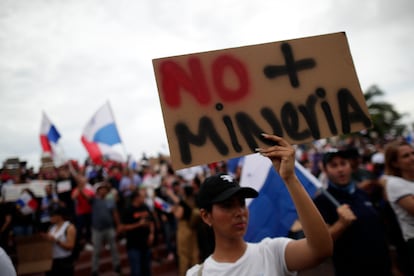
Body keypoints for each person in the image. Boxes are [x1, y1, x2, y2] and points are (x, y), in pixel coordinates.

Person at [186, 134, 333, 276]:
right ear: (206, 216)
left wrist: (290, 178)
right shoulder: (196, 274)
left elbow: (320, 249)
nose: (239, 212)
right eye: (227, 205)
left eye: (242, 203)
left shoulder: (272, 252)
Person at [313, 149, 392, 276]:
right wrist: (341, 224)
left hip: (382, 266)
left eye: (343, 163)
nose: (340, 169)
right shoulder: (322, 201)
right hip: (351, 269)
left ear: (350, 167)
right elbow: (320, 244)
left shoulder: (363, 193)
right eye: (333, 165)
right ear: (326, 171)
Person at [383, 140, 414, 275]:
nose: (412, 158)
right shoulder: (394, 183)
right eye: (406, 156)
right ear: (395, 163)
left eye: (413, 153)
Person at [119, 189, 155, 276]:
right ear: (136, 198)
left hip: (146, 244)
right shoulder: (128, 210)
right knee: (136, 271)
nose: (144, 198)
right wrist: (138, 224)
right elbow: (122, 228)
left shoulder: (145, 207)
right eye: (142, 196)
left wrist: (151, 234)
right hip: (134, 245)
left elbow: (151, 222)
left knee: (147, 270)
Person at [91, 182, 121, 276]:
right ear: (98, 191)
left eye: (105, 189)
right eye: (101, 189)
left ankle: (117, 266)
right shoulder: (94, 200)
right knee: (96, 251)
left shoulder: (110, 200)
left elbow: (115, 213)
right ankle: (95, 270)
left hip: (109, 228)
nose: (103, 190)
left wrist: (119, 225)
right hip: (97, 229)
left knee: (114, 248)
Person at [43, 206, 77, 276]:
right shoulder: (51, 228)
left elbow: (70, 246)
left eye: (52, 215)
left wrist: (56, 241)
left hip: (64, 261)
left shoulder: (69, 227)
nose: (50, 218)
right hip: (52, 261)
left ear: (59, 216)